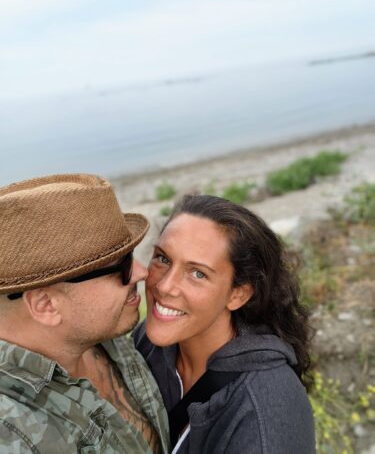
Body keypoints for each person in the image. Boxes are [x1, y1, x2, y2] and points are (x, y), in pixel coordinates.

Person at [0, 173, 169, 453]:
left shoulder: (100, 331)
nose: (142, 272)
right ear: (46, 305)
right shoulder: (12, 433)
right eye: (121, 266)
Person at [134, 194, 316, 453]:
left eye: (198, 273)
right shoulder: (149, 343)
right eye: (163, 258)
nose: (164, 286)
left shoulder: (266, 408)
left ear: (238, 294)